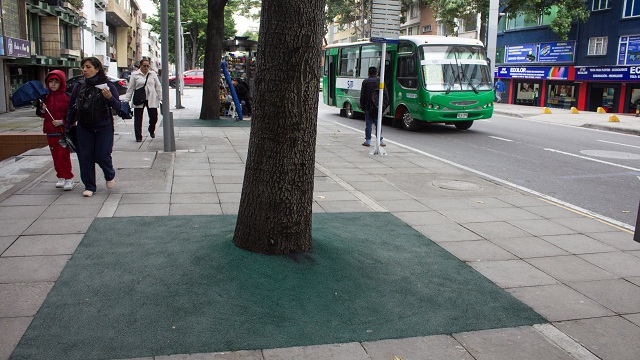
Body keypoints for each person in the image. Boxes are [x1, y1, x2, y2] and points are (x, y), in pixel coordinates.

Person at [66, 57, 122, 197]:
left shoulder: (107, 85)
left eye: (88, 67)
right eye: (83, 67)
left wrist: (109, 98)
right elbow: (72, 107)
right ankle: (89, 186)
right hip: (84, 127)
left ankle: (109, 174)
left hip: (103, 126)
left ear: (97, 69)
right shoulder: (79, 86)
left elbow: (118, 107)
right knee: (85, 157)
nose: (84, 69)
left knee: (102, 155)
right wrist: (68, 126)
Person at [38, 70, 74, 191]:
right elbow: (42, 114)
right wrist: (42, 109)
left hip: (62, 133)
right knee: (55, 156)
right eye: (50, 82)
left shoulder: (67, 97)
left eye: (56, 82)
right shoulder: (45, 97)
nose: (53, 84)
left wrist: (62, 122)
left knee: (63, 155)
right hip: (50, 132)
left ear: (61, 83)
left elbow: (72, 116)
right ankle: (61, 177)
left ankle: (68, 177)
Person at [123, 58, 162, 141]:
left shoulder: (152, 74)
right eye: (144, 66)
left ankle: (151, 130)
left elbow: (158, 86)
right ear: (140, 66)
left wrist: (161, 98)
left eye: (148, 66)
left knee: (154, 117)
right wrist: (127, 100)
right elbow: (130, 88)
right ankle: (138, 136)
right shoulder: (135, 74)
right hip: (139, 98)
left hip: (151, 98)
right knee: (138, 118)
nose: (146, 67)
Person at [359, 66, 388, 147]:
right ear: (377, 73)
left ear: (368, 73)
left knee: (368, 124)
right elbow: (386, 95)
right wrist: (384, 106)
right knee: (378, 124)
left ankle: (368, 141)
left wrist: (362, 106)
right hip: (378, 107)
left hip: (368, 107)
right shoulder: (380, 81)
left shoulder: (365, 82)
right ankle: (380, 140)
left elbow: (363, 95)